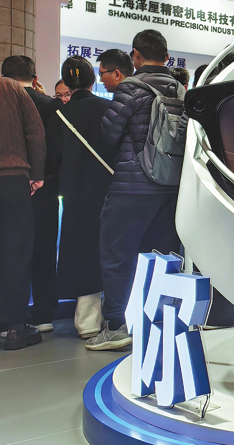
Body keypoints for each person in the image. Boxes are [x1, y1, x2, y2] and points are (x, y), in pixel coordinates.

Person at [89, 30, 184, 351]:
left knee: (117, 256)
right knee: (162, 258)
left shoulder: (131, 88)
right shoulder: (181, 90)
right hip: (171, 187)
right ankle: (157, 322)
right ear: (167, 57)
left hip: (132, 186)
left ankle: (117, 326)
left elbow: (109, 134)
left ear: (136, 56)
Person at [55, 56, 115, 339]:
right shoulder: (109, 108)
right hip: (109, 190)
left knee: (80, 250)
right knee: (111, 251)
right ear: (94, 80)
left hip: (74, 193)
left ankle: (87, 320)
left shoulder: (59, 114)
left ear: (67, 82)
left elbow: (54, 156)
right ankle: (115, 314)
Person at [1, 56, 62, 332]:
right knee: (29, 250)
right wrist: (38, 176)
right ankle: (31, 319)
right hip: (27, 182)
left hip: (15, 180)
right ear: (34, 77)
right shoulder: (44, 102)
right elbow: (39, 137)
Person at [0, 75, 45, 350]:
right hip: (12, 178)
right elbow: (35, 132)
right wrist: (36, 174)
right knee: (15, 252)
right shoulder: (12, 88)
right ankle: (16, 328)